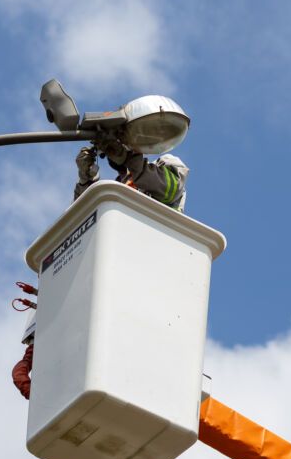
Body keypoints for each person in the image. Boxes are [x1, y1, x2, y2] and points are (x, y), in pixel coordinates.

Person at [12, 140, 190, 400]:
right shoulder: (114, 201)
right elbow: (83, 220)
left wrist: (128, 157)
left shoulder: (161, 188)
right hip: (93, 294)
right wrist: (87, 181)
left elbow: (165, 186)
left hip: (138, 278)